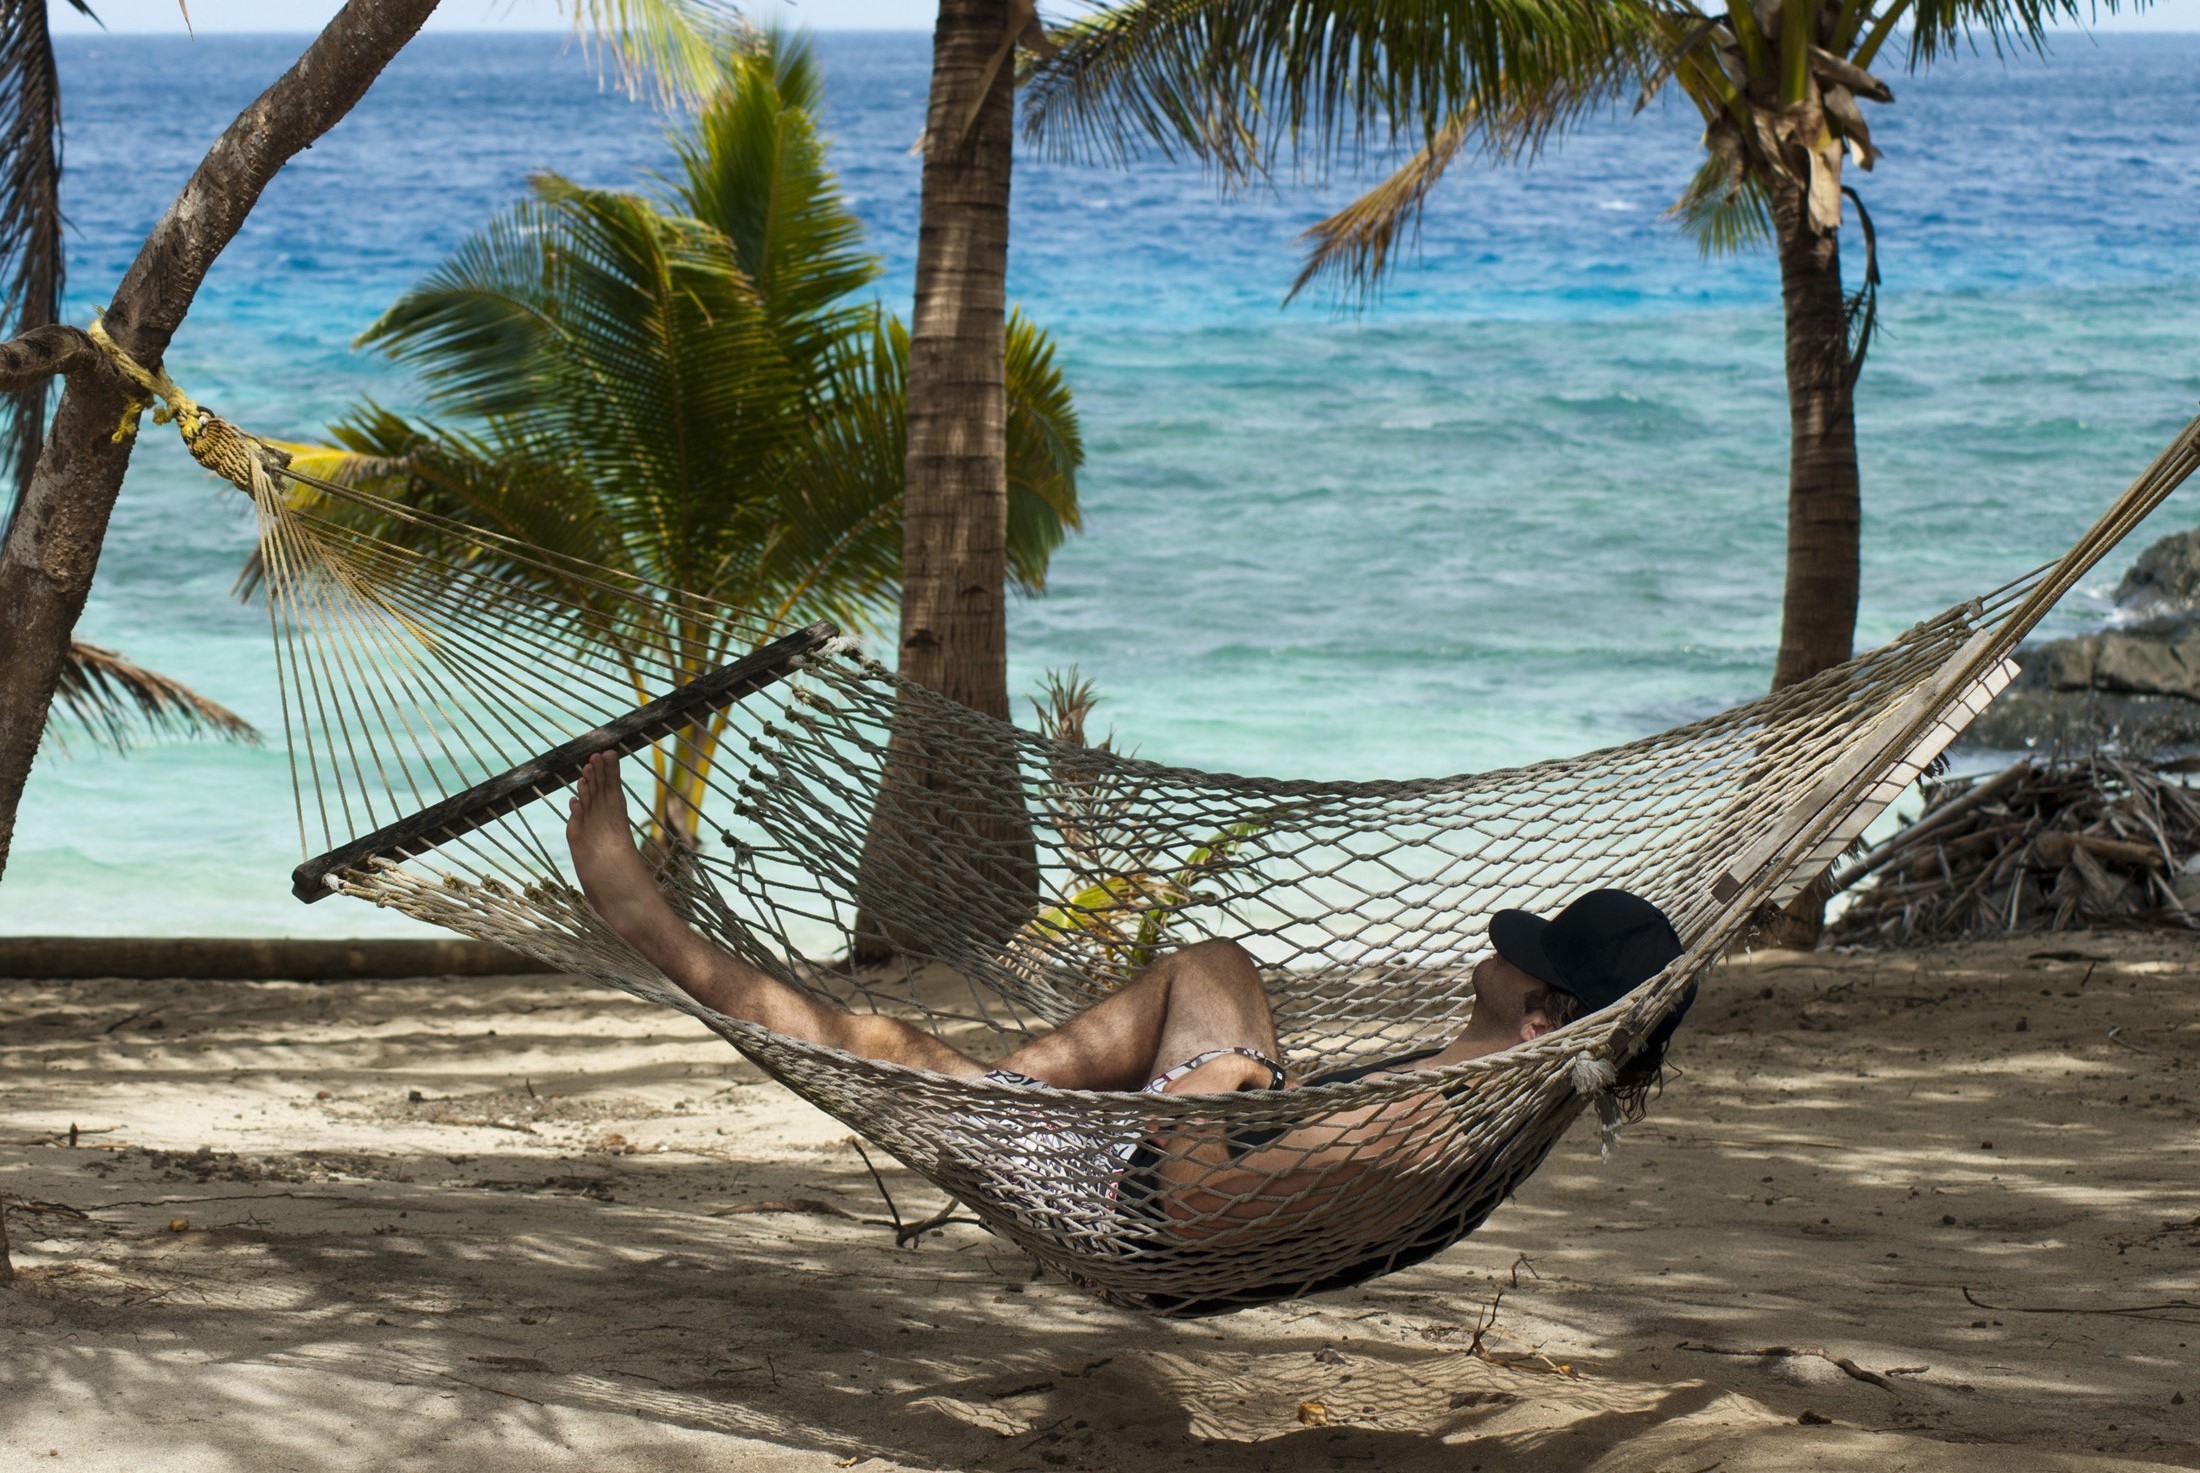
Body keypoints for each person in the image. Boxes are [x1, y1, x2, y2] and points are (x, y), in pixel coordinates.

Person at [566, 751, 1689, 1229]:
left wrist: (1213, 1083)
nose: (1498, 946)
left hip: (1129, 1203)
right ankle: (998, 1096)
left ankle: (639, 914)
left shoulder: (1425, 1126)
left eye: (1526, 950)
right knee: (1213, 967)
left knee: (887, 1040)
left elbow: (1199, 1207)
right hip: (1167, 1159)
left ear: (1543, 1013)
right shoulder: (1480, 1097)